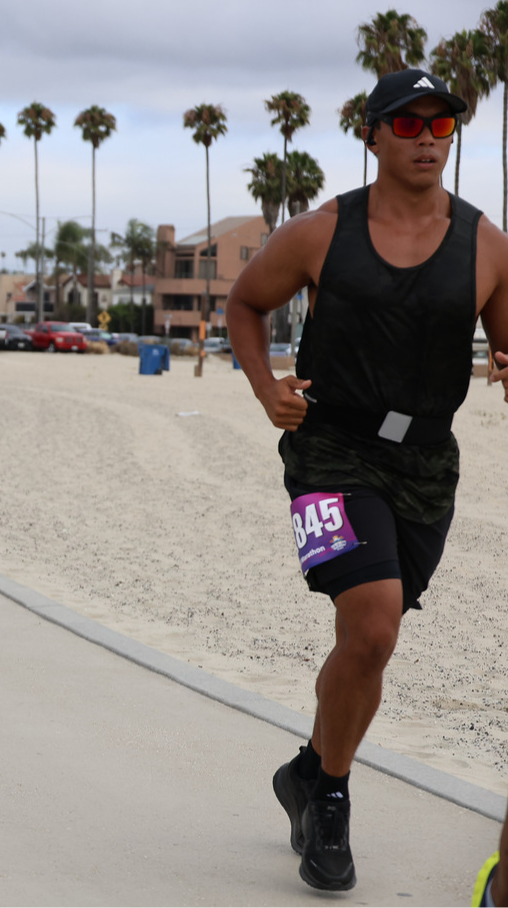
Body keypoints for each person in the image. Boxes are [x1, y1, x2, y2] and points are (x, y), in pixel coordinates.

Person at [226, 68, 508, 892]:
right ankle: (335, 800)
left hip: (426, 465)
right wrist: (266, 387)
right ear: (373, 134)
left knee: (368, 641)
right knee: (375, 622)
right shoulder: (324, 231)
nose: (427, 140)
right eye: (409, 125)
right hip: (328, 452)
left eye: (441, 127)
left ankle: (310, 770)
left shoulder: (486, 245)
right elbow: (245, 304)